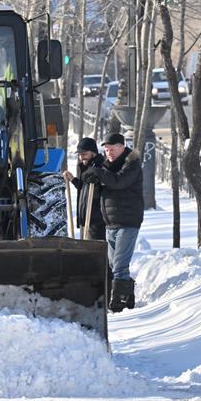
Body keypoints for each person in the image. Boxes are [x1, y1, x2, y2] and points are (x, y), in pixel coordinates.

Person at [81, 132, 143, 312]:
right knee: (113, 264)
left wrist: (98, 173)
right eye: (106, 150)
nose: (109, 153)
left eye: (112, 149)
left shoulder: (131, 165)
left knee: (120, 266)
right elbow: (103, 189)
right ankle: (128, 294)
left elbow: (119, 182)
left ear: (122, 147)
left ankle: (117, 306)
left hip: (128, 221)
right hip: (111, 223)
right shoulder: (107, 166)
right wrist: (90, 179)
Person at [64, 137, 106, 240]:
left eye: (84, 154)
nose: (81, 157)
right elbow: (86, 188)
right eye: (80, 154)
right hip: (88, 219)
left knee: (95, 251)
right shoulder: (88, 166)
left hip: (98, 220)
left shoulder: (101, 166)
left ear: (93, 152)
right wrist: (73, 179)